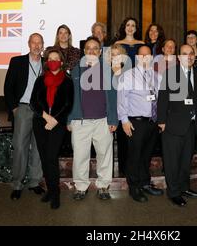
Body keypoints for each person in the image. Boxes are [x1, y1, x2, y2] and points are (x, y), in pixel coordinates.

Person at [67, 37, 118, 200]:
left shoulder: (107, 70)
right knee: (80, 156)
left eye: (95, 48)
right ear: (84, 51)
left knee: (105, 155)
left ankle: (103, 186)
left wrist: (113, 120)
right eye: (88, 48)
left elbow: (113, 96)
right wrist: (69, 119)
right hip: (80, 121)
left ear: (100, 51)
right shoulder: (75, 70)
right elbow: (70, 97)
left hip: (103, 121)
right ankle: (81, 187)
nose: (91, 51)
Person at [157, 44, 197, 206]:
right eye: (184, 54)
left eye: (191, 53)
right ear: (178, 57)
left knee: (185, 160)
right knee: (172, 162)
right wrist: (161, 121)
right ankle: (174, 192)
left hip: (192, 126)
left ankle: (184, 187)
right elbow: (162, 98)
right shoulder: (170, 73)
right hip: (173, 126)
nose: (189, 56)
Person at [117, 45, 163, 202]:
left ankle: (145, 183)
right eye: (142, 55)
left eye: (148, 55)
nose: (146, 58)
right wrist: (124, 120)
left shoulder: (157, 76)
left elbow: (159, 98)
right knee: (134, 156)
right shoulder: (128, 76)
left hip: (152, 122)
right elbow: (121, 99)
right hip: (135, 122)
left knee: (146, 156)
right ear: (137, 58)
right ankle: (134, 187)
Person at [3, 33, 46, 200]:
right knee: (20, 147)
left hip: (40, 112)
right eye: (33, 42)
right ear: (29, 44)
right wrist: (14, 108)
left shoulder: (47, 65)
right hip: (23, 109)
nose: (36, 46)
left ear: (43, 46)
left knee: (38, 148)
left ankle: (35, 182)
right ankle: (17, 184)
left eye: (39, 43)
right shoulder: (17, 62)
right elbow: (8, 87)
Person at [30, 48, 74, 209]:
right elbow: (33, 102)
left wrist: (54, 119)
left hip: (58, 124)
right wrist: (46, 117)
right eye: (50, 58)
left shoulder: (68, 81)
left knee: (51, 157)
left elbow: (68, 104)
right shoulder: (40, 80)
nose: (53, 61)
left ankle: (55, 194)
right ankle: (50, 190)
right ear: (47, 62)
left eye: (56, 58)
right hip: (41, 122)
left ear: (61, 63)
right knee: (44, 158)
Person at [105, 44, 129, 177]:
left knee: (124, 145)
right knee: (106, 147)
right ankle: (107, 174)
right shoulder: (103, 73)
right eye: (112, 54)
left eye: (117, 54)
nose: (114, 57)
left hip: (124, 115)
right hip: (108, 114)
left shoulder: (129, 72)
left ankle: (124, 172)